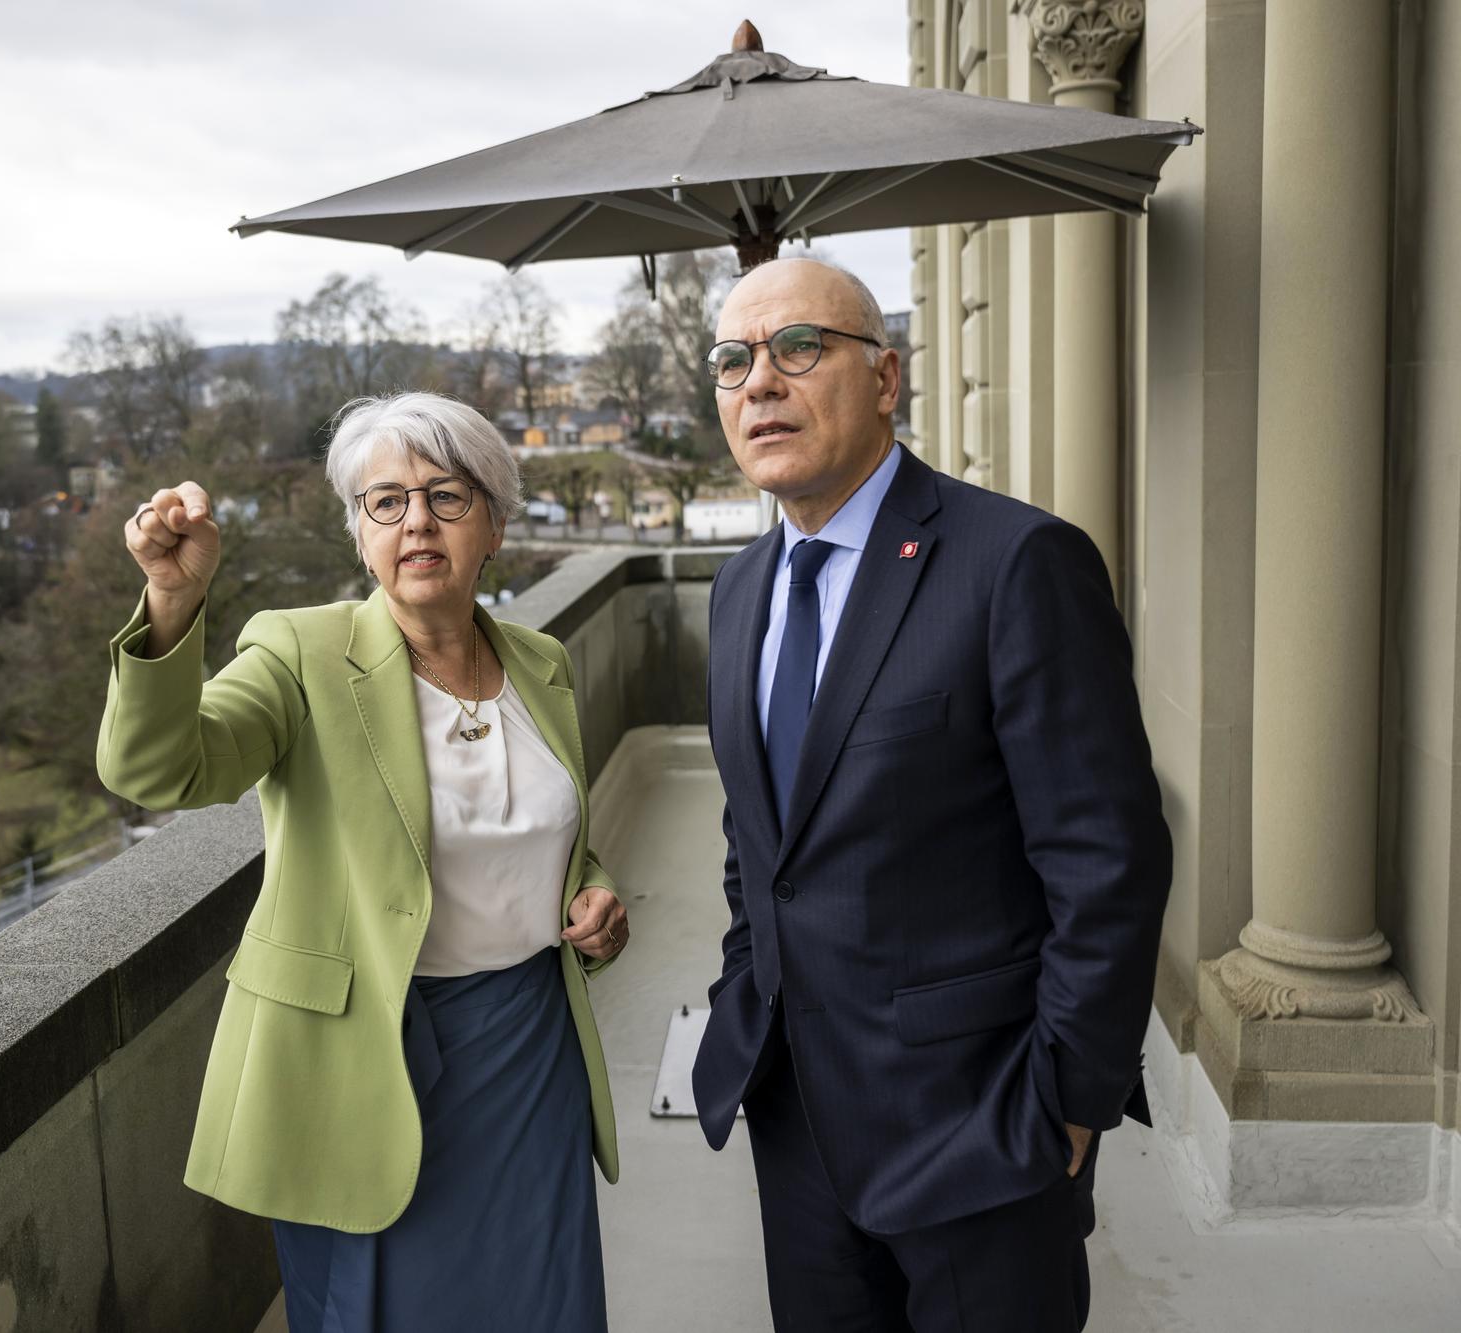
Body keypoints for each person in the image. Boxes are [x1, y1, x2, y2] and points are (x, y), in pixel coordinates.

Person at [688, 258, 1171, 1333]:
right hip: (795, 1117)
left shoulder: (1015, 562)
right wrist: (745, 987)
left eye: (797, 347)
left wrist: (1065, 1104)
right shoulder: (735, 594)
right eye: (732, 359)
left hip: (979, 1128)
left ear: (885, 377)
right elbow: (755, 842)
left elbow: (1106, 858)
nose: (759, 382)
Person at [98, 391, 628, 1333]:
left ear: (495, 524)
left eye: (447, 495)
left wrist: (592, 894)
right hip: (371, 1058)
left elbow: (554, 835)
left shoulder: (542, 663)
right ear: (360, 533)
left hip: (530, 1050)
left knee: (548, 1306)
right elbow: (160, 768)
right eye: (386, 501)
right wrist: (173, 602)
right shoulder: (299, 652)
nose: (416, 519)